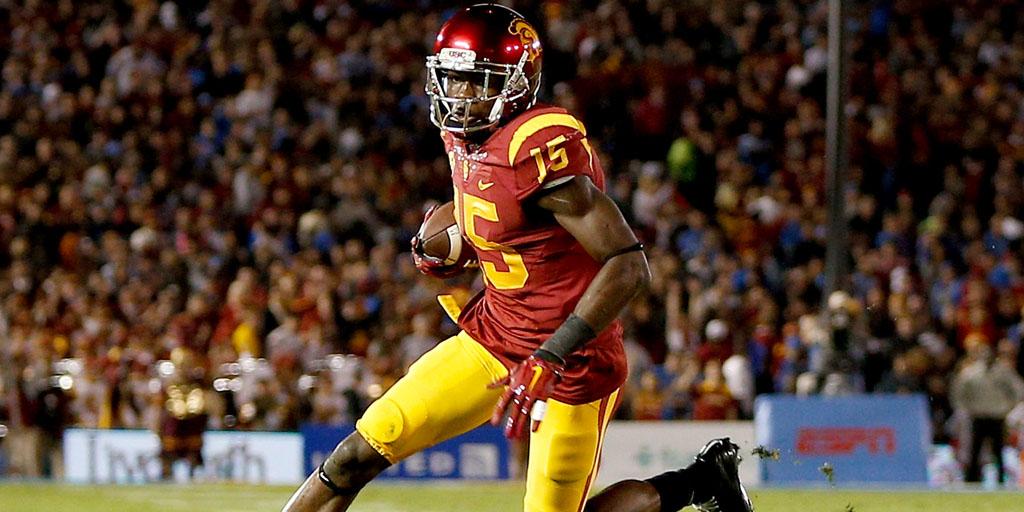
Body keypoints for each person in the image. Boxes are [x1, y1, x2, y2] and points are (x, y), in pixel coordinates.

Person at [282, 5, 753, 512]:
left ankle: (700, 482)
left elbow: (628, 264)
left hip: (572, 361)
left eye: (475, 81)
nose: (459, 95)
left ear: (517, 82)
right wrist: (455, 243)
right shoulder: (461, 134)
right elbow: (499, 213)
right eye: (452, 79)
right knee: (361, 449)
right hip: (494, 335)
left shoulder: (535, 149)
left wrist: (551, 354)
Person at [951, 342, 1024, 484]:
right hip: (978, 416)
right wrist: (966, 408)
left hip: (997, 416)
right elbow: (958, 392)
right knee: (975, 450)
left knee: (998, 450)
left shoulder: (1003, 372)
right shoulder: (971, 373)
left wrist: (1008, 407)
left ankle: (1000, 480)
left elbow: (1018, 389)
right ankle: (972, 480)